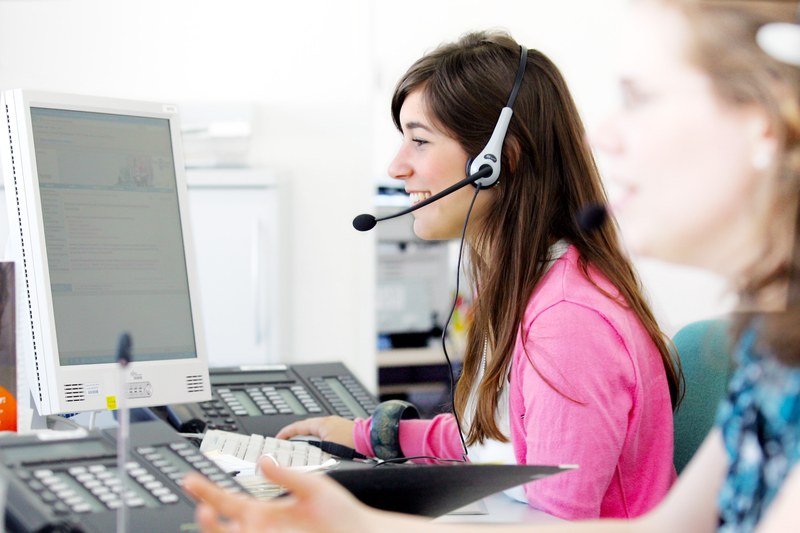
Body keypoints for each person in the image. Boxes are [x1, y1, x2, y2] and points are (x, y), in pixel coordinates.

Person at [183, 0, 800, 531]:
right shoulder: (771, 358)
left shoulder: (568, 318)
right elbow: (519, 453)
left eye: (639, 98)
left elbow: (560, 514)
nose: (606, 134)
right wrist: (373, 450)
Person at [287, 30, 680, 520]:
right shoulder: (530, 285)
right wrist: (370, 435)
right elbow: (504, 443)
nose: (396, 166)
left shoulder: (567, 319)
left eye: (420, 142)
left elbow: (558, 520)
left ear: (496, 162)